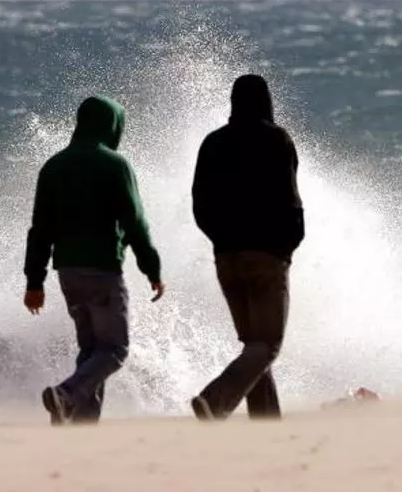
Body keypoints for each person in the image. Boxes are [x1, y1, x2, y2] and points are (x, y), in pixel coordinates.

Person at [23, 95, 165, 426]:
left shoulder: (54, 166)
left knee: (90, 350)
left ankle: (80, 422)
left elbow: (40, 230)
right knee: (114, 349)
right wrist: (152, 268)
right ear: (111, 126)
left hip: (68, 273)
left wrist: (34, 282)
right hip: (102, 270)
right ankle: (66, 395)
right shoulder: (115, 165)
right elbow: (135, 222)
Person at [189, 74, 305, 421]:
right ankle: (215, 400)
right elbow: (291, 200)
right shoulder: (277, 139)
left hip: (227, 258)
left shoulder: (213, 142)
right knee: (266, 345)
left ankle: (266, 423)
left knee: (254, 346)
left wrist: (220, 241)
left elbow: (200, 204)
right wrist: (287, 247)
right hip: (267, 255)